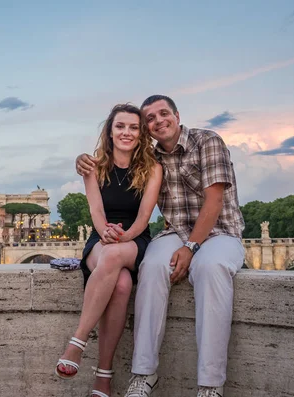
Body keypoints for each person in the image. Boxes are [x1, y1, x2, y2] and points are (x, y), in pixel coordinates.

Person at [76, 95, 245, 397]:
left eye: (163, 114)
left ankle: (210, 384)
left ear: (177, 115)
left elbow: (215, 200)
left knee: (211, 267)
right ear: (147, 129)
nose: (158, 121)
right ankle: (143, 374)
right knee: (152, 266)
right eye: (150, 119)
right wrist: (83, 161)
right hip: (175, 234)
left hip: (220, 233)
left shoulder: (208, 141)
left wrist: (192, 247)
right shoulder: (151, 160)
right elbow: (110, 167)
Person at [56, 104, 162, 397]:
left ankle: (77, 342)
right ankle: (104, 375)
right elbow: (96, 209)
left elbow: (144, 217)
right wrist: (105, 232)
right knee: (122, 283)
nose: (126, 132)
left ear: (141, 135)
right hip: (100, 238)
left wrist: (124, 236)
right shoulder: (93, 167)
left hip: (134, 239)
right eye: (120, 126)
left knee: (115, 256)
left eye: (133, 127)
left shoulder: (153, 169)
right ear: (110, 132)